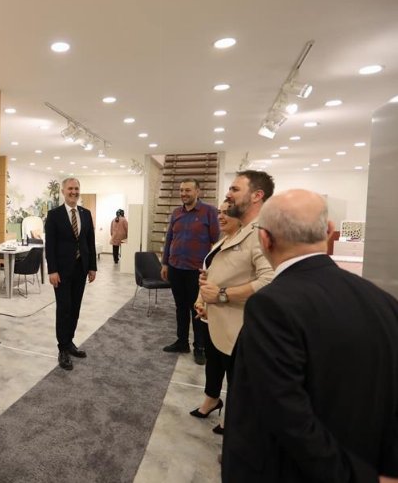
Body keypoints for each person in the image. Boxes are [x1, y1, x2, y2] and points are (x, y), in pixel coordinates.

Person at [223, 189, 398, 482]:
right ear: (329, 231)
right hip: (371, 458)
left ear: (264, 239)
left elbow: (285, 415)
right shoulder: (384, 302)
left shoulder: (271, 305)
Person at [193, 171, 275, 435]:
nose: (228, 195)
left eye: (235, 189)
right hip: (217, 318)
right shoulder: (235, 235)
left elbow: (270, 280)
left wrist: (221, 294)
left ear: (257, 195)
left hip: (239, 324)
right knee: (217, 365)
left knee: (238, 379)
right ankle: (213, 401)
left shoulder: (262, 233)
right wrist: (206, 290)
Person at [160, 178, 220, 365]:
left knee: (197, 308)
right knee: (180, 307)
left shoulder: (209, 211)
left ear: (197, 192)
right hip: (176, 267)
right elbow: (169, 239)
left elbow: (217, 241)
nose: (183, 194)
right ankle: (182, 342)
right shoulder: (176, 212)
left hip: (196, 270)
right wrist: (165, 263)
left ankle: (199, 347)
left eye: (187, 190)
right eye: (181, 190)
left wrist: (212, 268)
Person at [44, 177, 97, 371]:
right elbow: (50, 245)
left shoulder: (85, 213)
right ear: (63, 191)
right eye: (70, 189)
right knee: (64, 309)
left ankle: (70, 342)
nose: (74, 192)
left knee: (75, 308)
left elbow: (89, 242)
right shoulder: (54, 215)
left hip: (80, 269)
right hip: (61, 271)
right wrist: (52, 270)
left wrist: (92, 267)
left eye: (76, 188)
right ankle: (62, 349)